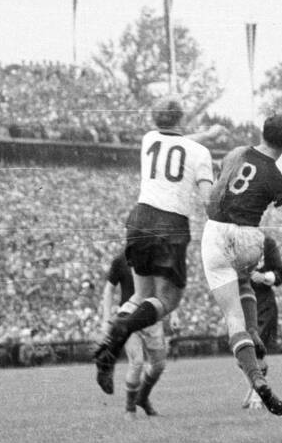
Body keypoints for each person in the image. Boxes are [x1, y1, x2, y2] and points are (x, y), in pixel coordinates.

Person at [93, 98, 221, 395]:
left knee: (140, 295)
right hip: (170, 223)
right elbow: (206, 199)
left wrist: (208, 135)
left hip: (138, 218)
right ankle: (122, 332)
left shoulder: (149, 139)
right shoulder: (198, 153)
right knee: (169, 299)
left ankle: (109, 348)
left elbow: (179, 144)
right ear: (182, 117)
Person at [202, 114, 282, 416]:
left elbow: (223, 187)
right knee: (244, 283)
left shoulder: (235, 153)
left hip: (217, 230)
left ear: (263, 132)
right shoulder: (277, 178)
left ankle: (256, 378)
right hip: (249, 237)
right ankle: (254, 332)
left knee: (233, 318)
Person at [99, 251, 169, 418]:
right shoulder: (120, 260)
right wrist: (106, 318)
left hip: (151, 317)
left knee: (158, 366)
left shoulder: (157, 256)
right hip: (127, 317)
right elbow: (108, 290)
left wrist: (173, 315)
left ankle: (142, 398)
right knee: (136, 362)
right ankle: (130, 409)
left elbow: (164, 289)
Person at [240, 234, 282, 410]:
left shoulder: (266, 242)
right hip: (239, 302)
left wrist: (265, 277)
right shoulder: (231, 241)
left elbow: (280, 273)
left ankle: (257, 395)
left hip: (263, 304)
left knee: (257, 351)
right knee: (242, 354)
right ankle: (256, 389)